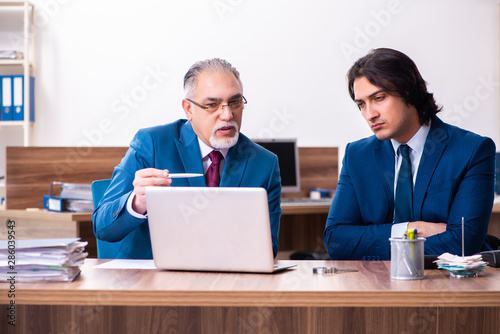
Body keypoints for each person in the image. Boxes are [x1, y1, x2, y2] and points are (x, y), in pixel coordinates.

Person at [93, 58, 282, 259]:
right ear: (188, 109)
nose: (227, 115)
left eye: (234, 102)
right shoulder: (152, 144)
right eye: (212, 104)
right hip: (152, 279)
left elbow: (268, 248)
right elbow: (102, 227)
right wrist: (137, 203)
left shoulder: (264, 164)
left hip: (225, 279)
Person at [324, 48, 496, 260]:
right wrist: (413, 230)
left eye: (378, 98)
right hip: (376, 283)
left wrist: (369, 241)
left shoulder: (472, 150)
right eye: (361, 104)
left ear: (409, 92)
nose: (370, 114)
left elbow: (462, 243)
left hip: (447, 284)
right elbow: (336, 241)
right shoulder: (357, 155)